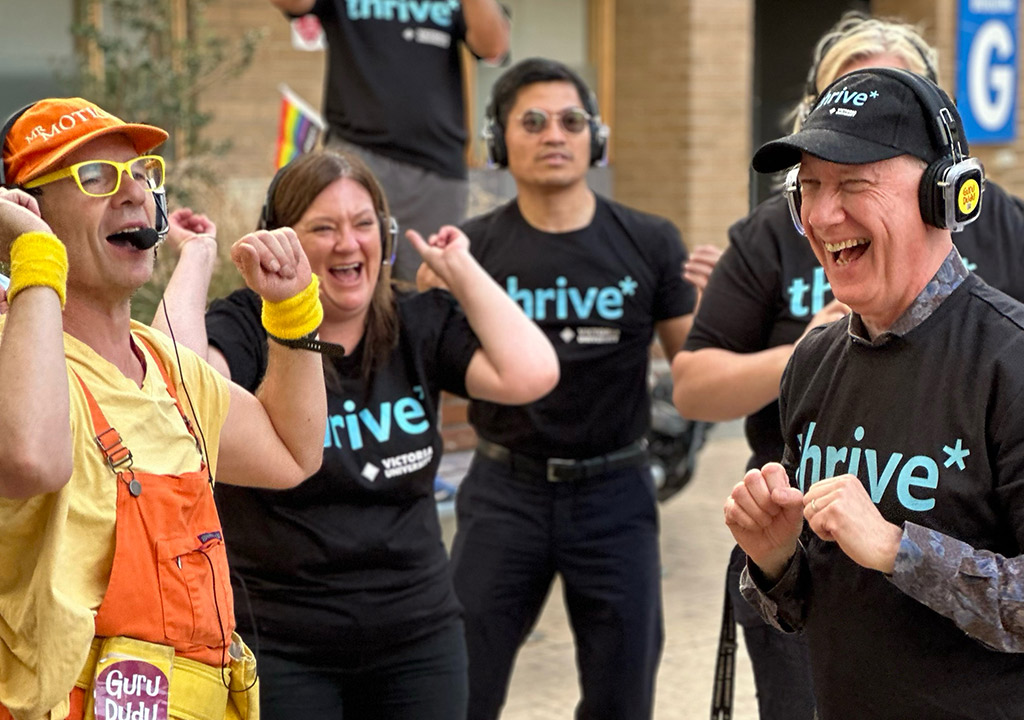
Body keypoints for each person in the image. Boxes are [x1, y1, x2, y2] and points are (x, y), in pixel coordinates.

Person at [670, 13, 1024, 720]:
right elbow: (810, 605)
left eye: (852, 184)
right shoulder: (813, 363)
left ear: (942, 195)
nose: (823, 217)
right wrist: (775, 560)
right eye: (809, 187)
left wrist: (897, 547)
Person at [155, 147, 559, 720]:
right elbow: (175, 393)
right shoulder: (247, 322)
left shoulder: (416, 323)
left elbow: (533, 373)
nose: (349, 243)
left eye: (364, 225)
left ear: (385, 236)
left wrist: (461, 270)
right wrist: (196, 257)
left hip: (418, 637)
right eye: (324, 227)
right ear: (281, 241)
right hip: (283, 642)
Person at [0, 98, 327, 720]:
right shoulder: (16, 358)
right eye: (93, 177)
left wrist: (292, 316)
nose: (132, 195)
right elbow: (31, 460)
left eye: (143, 174)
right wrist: (34, 258)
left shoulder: (169, 368)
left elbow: (293, 453)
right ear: (23, 210)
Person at [440, 58, 696, 720]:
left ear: (595, 139)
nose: (554, 133)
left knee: (622, 698)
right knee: (459, 688)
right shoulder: (469, 251)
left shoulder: (651, 241)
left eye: (571, 120)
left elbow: (697, 371)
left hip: (616, 496)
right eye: (532, 121)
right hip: (504, 495)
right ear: (499, 141)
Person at [267, 0, 510, 283]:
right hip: (354, 157)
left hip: (435, 168)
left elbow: (493, 46)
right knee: (340, 283)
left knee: (428, 289)